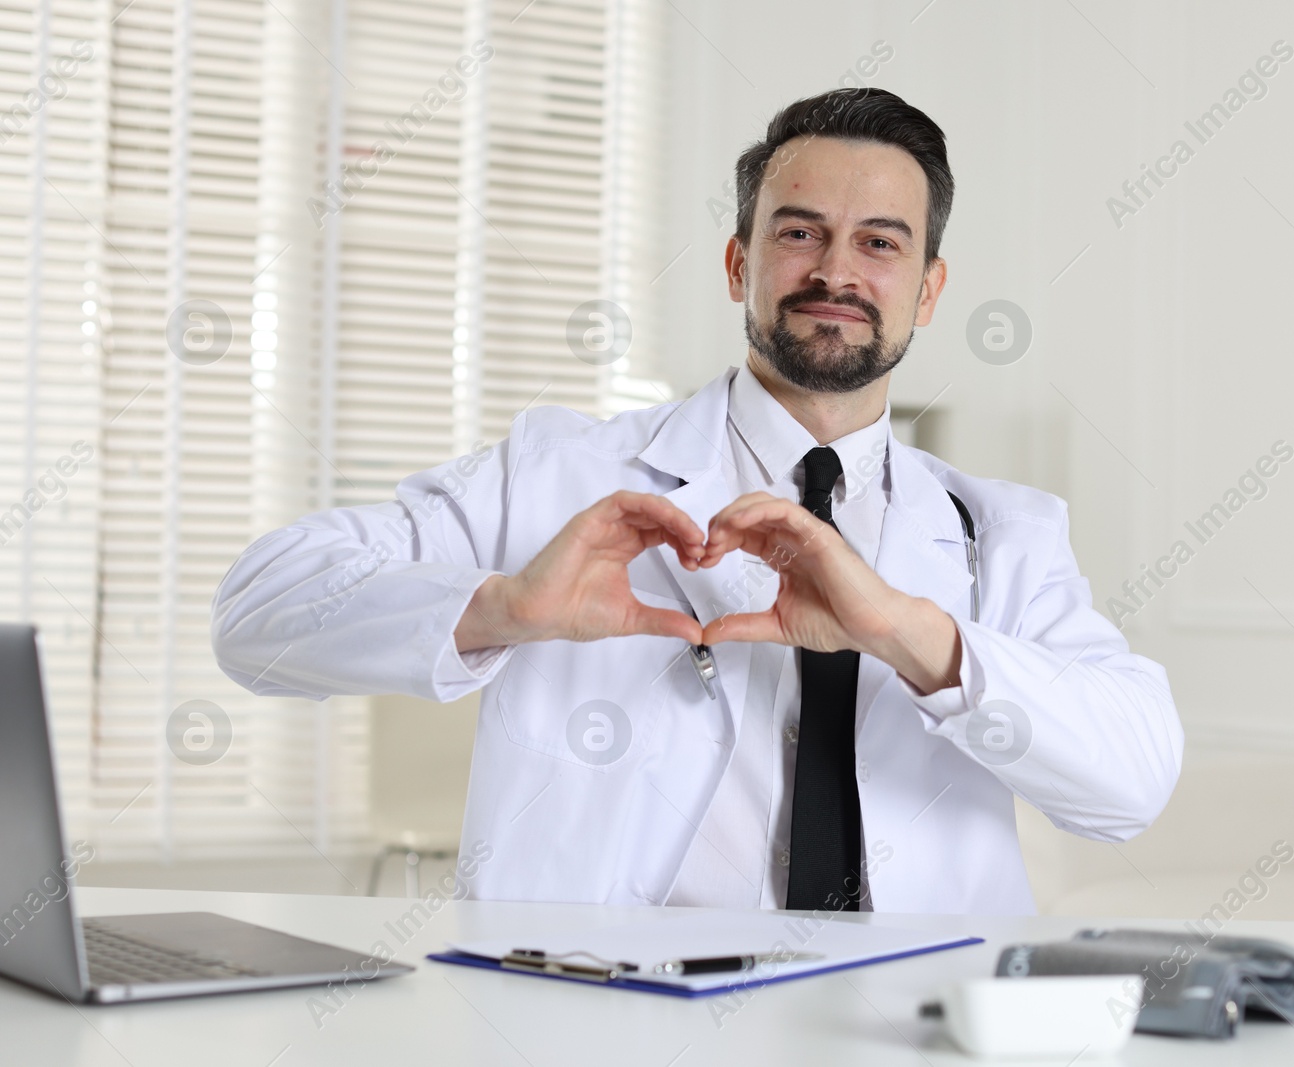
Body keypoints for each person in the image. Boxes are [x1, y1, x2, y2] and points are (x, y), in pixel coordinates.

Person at [212, 88, 1182, 915]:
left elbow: (1130, 785)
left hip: (911, 1015)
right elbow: (257, 613)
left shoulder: (1001, 531)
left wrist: (903, 631)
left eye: (878, 243)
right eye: (798, 231)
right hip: (608, 1014)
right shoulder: (560, 473)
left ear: (927, 290)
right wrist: (502, 609)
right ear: (737, 263)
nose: (835, 271)